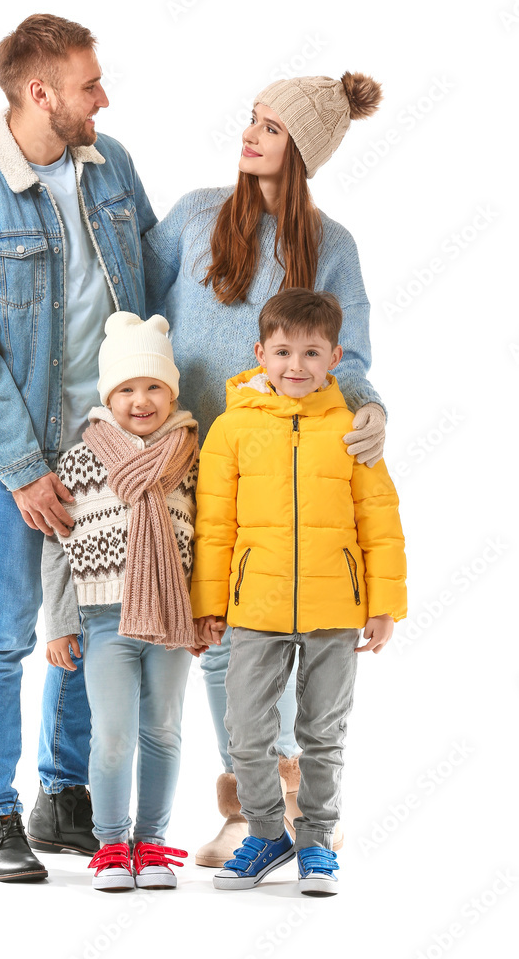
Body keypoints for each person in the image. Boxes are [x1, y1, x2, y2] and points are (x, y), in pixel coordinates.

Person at [0, 13, 156, 881]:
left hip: (108, 444)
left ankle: (64, 794)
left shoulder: (111, 167)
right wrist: (23, 471)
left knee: (93, 622)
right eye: (90, 84)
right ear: (40, 92)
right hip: (14, 453)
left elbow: (153, 282)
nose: (104, 97)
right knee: (6, 630)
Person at [143, 72, 388, 865]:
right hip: (188, 457)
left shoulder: (334, 246)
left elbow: (347, 363)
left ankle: (279, 808)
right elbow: (136, 316)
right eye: (253, 118)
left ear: (305, 150)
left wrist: (373, 411)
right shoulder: (193, 215)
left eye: (271, 127)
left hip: (281, 467)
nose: (250, 134)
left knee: (282, 634)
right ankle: (262, 805)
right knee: (221, 638)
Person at [191, 289, 407, 895]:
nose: (296, 365)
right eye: (283, 351)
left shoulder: (351, 431)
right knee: (246, 730)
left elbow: (379, 519)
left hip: (335, 609)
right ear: (260, 353)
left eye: (312, 352)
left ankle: (316, 842)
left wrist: (384, 603)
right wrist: (209, 604)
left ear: (335, 356)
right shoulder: (229, 432)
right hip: (254, 609)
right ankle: (265, 833)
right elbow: (215, 525)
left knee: (322, 732)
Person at [41, 312, 200, 891]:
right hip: (105, 618)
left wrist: (206, 611)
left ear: (172, 390)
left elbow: (208, 537)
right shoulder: (83, 459)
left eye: (154, 385)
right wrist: (60, 622)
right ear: (109, 394)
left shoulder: (190, 455)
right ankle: (111, 843)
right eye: (127, 388)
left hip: (174, 619)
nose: (141, 399)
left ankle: (152, 844)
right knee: (112, 732)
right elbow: (58, 547)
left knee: (163, 728)